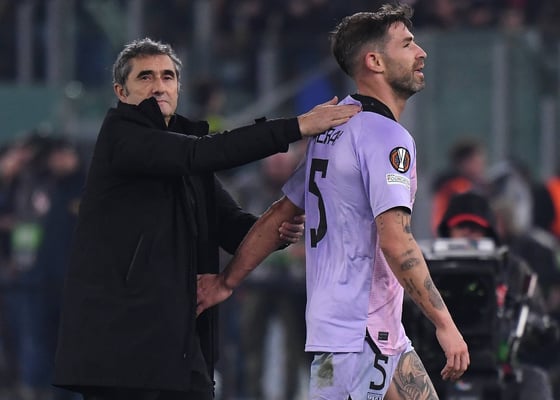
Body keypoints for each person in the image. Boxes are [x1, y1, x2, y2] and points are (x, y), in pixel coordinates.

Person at [52, 37, 360, 400]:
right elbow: (203, 152)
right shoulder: (123, 137)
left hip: (178, 340)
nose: (159, 86)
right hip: (123, 345)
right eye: (145, 77)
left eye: (167, 77)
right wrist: (297, 127)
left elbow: (232, 226)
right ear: (121, 91)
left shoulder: (185, 152)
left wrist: (276, 229)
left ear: (178, 87)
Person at [197, 4, 469, 400]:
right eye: (408, 44)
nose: (421, 52)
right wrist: (444, 323)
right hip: (360, 334)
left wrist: (228, 281)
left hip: (369, 332)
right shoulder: (387, 137)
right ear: (375, 61)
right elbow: (397, 242)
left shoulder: (331, 130)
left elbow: (280, 213)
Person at [436, 190, 555, 400]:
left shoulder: (512, 269)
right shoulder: (425, 268)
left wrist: (527, 325)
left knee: (535, 380)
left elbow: (540, 324)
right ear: (448, 230)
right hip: (436, 363)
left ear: (490, 232)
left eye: (475, 228)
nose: (468, 233)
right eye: (461, 226)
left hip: (496, 365)